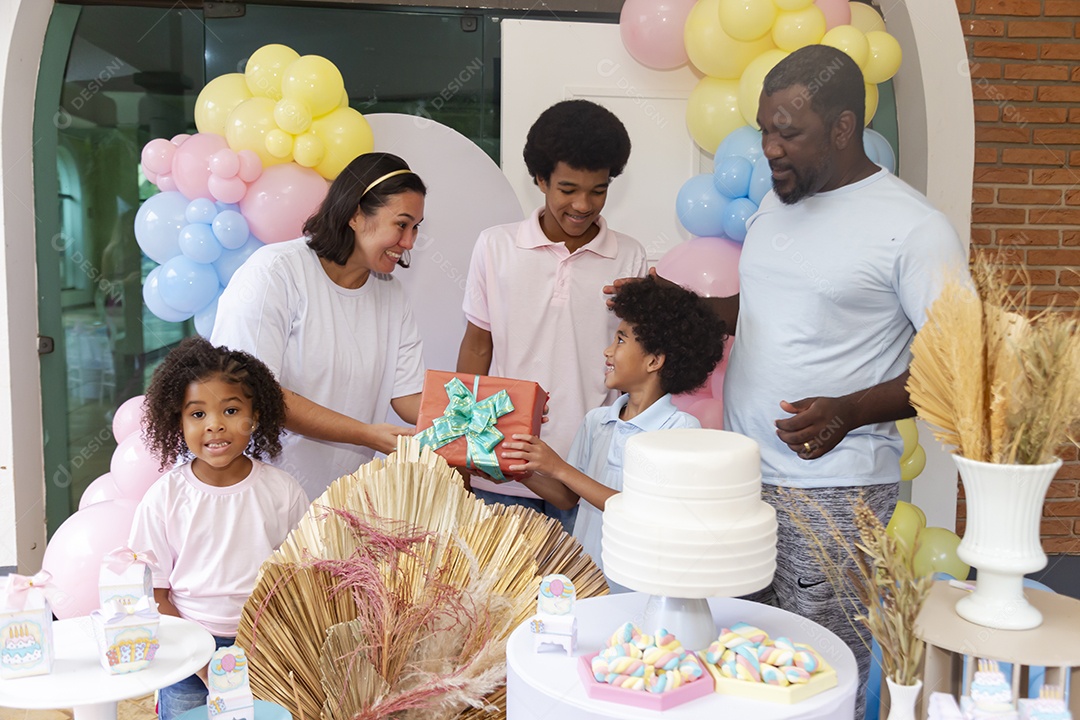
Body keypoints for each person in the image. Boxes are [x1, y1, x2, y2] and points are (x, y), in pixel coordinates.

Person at [456, 99, 648, 531]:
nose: (583, 204)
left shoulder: (629, 255)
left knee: (583, 597)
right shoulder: (495, 246)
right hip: (500, 471)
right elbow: (476, 346)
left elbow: (639, 371)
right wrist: (464, 448)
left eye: (598, 190)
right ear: (540, 180)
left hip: (586, 475)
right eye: (568, 189)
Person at [212, 152, 427, 500]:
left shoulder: (392, 295)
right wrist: (366, 434)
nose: (409, 242)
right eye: (401, 225)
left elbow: (409, 396)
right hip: (260, 497)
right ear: (356, 215)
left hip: (337, 502)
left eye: (416, 228)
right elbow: (254, 392)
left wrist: (485, 417)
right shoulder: (276, 273)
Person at [498, 277, 725, 587]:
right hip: (586, 583)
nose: (607, 351)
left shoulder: (679, 430)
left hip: (639, 590)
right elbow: (567, 498)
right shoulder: (597, 421)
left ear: (654, 360)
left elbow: (644, 512)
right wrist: (520, 471)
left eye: (620, 340)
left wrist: (559, 468)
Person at [130, 337, 307, 720]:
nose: (214, 425)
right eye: (197, 414)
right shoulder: (165, 498)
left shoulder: (284, 491)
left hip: (265, 648)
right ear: (176, 420)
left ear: (255, 416)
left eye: (230, 410)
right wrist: (202, 662)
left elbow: (301, 578)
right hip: (186, 651)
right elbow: (153, 594)